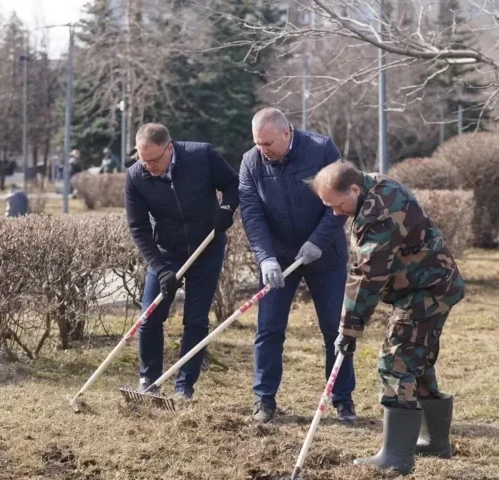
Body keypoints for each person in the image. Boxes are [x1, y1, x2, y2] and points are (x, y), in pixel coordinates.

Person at [310, 161, 465, 475]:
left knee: (396, 361)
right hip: (427, 286)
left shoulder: (380, 211)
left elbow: (368, 275)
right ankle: (435, 442)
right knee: (416, 361)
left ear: (354, 189)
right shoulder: (370, 187)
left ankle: (396, 456)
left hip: (428, 290)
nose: (336, 213)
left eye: (338, 205)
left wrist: (349, 329)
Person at [238, 108, 355, 424]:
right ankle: (264, 399)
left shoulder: (320, 149)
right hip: (279, 259)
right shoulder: (251, 162)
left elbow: (340, 202)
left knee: (335, 328)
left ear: (287, 132)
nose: (263, 150)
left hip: (325, 255)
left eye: (268, 143)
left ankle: (343, 400)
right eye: (258, 144)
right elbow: (251, 213)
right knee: (269, 329)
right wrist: (266, 257)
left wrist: (317, 241)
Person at [125, 122, 239, 400]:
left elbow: (233, 183)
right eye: (143, 160)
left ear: (170, 148)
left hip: (206, 250)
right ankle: (148, 381)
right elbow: (138, 228)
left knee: (195, 320)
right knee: (150, 318)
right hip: (167, 253)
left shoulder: (202, 156)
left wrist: (226, 208)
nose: (148, 166)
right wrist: (162, 269)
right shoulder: (135, 176)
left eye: (153, 160)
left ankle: (184, 387)